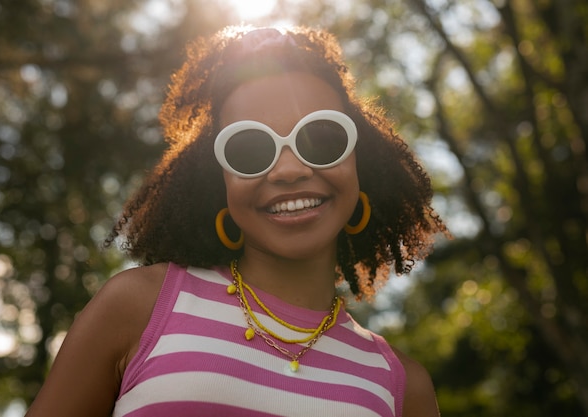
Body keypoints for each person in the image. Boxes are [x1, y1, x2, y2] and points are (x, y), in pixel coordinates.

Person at [26, 25, 446, 417]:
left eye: (321, 138)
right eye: (248, 150)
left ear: (360, 162)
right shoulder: (138, 307)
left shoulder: (404, 387)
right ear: (220, 182)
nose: (287, 170)